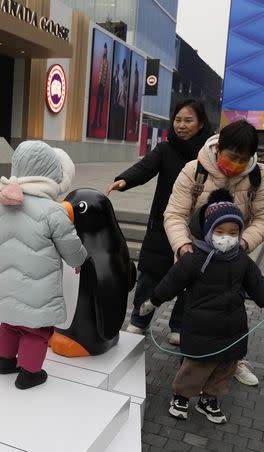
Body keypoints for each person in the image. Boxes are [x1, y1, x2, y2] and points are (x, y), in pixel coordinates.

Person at [139, 190, 264, 424]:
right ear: (208, 232)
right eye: (219, 232)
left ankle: (209, 400)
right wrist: (153, 301)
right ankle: (181, 396)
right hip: (201, 327)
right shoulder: (195, 258)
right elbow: (172, 281)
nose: (226, 238)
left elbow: (258, 284)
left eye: (233, 232)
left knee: (225, 368)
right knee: (195, 366)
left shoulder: (241, 259)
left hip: (233, 328)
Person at [164, 119, 264, 387]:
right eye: (232, 156)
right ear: (218, 148)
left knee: (231, 310)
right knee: (197, 312)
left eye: (243, 158)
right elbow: (175, 213)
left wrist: (243, 244)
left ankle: (231, 361)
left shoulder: (258, 176)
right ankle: (193, 364)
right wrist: (183, 246)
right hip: (198, 254)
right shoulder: (195, 170)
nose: (236, 162)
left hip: (232, 256)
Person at [0, 140, 87, 390]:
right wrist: (79, 261)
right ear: (51, 173)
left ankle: (5, 362)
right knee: (35, 329)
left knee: (11, 323)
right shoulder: (53, 211)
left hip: (6, 283)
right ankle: (29, 373)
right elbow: (69, 244)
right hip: (38, 287)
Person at [107, 99, 212, 345]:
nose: (181, 125)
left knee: (190, 279)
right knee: (149, 277)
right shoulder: (165, 149)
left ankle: (178, 326)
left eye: (188, 120)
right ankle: (138, 321)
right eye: (177, 120)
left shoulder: (208, 155)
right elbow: (145, 167)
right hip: (161, 226)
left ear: (201, 123)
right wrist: (125, 180)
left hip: (195, 229)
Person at [92, 43, 109, 129]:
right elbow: (100, 71)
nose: (105, 50)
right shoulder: (102, 59)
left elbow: (105, 74)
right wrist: (99, 82)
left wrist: (104, 85)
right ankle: (95, 121)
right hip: (100, 85)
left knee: (101, 104)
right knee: (98, 103)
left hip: (103, 85)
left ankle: (99, 121)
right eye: (104, 49)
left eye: (105, 49)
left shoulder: (107, 60)